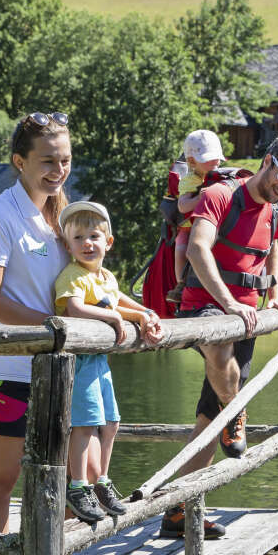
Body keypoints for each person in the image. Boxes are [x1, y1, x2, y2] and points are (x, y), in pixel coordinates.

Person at [0, 110, 96, 555]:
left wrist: (130, 312)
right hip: (6, 371)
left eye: (64, 160)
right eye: (47, 161)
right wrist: (53, 324)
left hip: (58, 372)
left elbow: (87, 284)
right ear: (19, 161)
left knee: (65, 482)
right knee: (2, 479)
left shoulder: (62, 213)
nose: (57, 170)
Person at [161, 133, 278, 540]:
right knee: (218, 347)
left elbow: (271, 250)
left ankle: (179, 509)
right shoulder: (219, 194)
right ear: (267, 162)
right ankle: (238, 409)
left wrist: (275, 295)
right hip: (206, 303)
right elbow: (197, 250)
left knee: (208, 420)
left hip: (247, 312)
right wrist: (228, 303)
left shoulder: (276, 211)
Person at [52, 199, 163, 523]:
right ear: (68, 245)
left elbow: (121, 303)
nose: (87, 244)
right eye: (78, 238)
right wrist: (114, 317)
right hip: (81, 362)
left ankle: (101, 480)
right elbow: (75, 308)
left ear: (108, 242)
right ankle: (78, 485)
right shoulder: (73, 276)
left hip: (101, 363)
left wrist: (145, 316)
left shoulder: (105, 278)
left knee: (111, 422)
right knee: (84, 424)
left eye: (94, 237)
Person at [167, 129, 225, 304]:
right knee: (181, 247)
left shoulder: (222, 176)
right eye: (209, 159)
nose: (215, 162)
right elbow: (182, 206)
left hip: (212, 224)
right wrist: (200, 197)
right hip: (189, 226)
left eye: (218, 158)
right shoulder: (190, 181)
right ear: (192, 161)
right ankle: (181, 283)